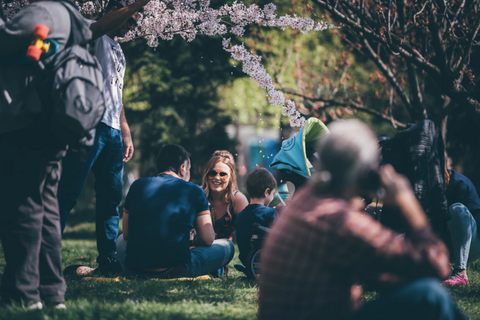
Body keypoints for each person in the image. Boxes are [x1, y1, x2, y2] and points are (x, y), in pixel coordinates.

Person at [259, 120, 466, 320]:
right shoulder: (339, 219)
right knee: (430, 295)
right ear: (365, 172)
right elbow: (437, 265)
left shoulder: (306, 202)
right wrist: (408, 203)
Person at [0, 0, 91, 309]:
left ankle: (23, 293)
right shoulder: (72, 16)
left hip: (28, 123)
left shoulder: (43, 14)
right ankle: (52, 292)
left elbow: (6, 40)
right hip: (53, 124)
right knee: (47, 211)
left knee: (23, 209)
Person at [57, 0, 150, 274]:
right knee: (68, 193)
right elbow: (101, 26)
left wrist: (125, 129)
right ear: (115, 11)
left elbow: (116, 94)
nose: (133, 24)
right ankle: (44, 252)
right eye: (130, 17)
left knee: (111, 199)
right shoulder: (92, 34)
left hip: (111, 132)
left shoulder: (119, 50)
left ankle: (108, 258)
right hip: (88, 126)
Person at [115, 144, 234, 278]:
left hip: (137, 269)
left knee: (120, 240)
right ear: (182, 168)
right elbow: (208, 239)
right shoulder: (194, 190)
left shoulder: (137, 186)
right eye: (188, 168)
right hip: (176, 270)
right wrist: (194, 242)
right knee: (228, 246)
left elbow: (126, 234)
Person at [201, 150, 249, 275]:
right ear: (207, 174)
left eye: (223, 174)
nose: (217, 177)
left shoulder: (238, 200)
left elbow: (248, 235)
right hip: (198, 251)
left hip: (221, 257)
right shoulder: (198, 195)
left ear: (231, 177)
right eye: (213, 173)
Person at [444, 167, 480, 286]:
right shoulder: (422, 189)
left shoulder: (460, 184)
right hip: (444, 246)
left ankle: (461, 273)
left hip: (471, 245)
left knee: (457, 209)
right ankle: (446, 271)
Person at [235, 168, 277, 266]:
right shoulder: (270, 213)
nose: (273, 196)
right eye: (273, 193)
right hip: (266, 264)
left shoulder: (241, 214)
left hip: (247, 263)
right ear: (266, 192)